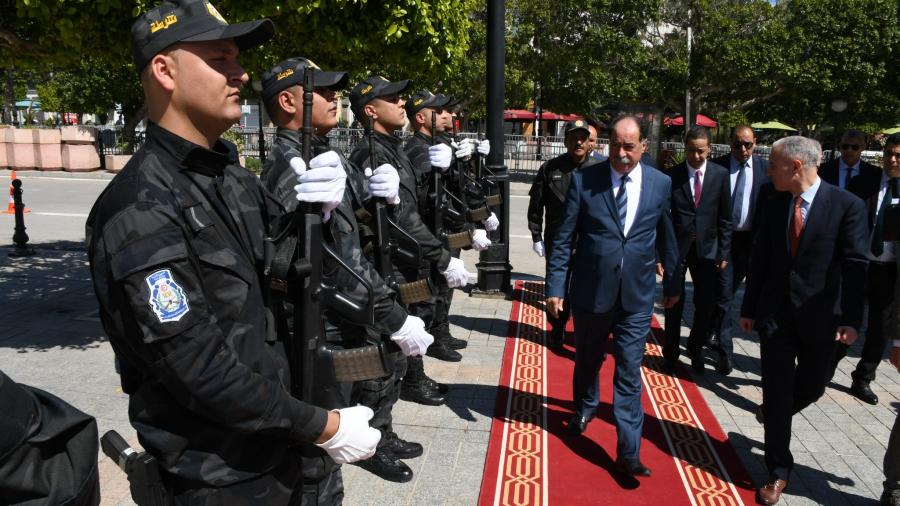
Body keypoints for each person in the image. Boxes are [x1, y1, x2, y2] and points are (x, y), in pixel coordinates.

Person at [86, 2, 380, 502]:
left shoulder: (234, 180)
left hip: (284, 449)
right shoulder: (139, 208)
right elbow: (199, 369)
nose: (240, 72)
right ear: (164, 70)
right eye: (219, 58)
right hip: (223, 475)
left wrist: (321, 215)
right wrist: (323, 426)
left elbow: (282, 273)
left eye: (236, 59)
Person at [258, 57, 436, 502]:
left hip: (344, 308)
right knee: (321, 447)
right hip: (324, 319)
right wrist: (394, 315)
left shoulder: (319, 154)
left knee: (365, 383)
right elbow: (330, 258)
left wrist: (383, 194)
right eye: (322, 91)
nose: (335, 97)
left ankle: (372, 438)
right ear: (287, 101)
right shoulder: (291, 165)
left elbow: (356, 221)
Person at [347, 76, 470, 483]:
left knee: (396, 354)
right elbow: (398, 219)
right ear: (369, 110)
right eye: (392, 99)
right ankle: (372, 439)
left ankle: (383, 430)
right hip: (388, 266)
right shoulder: (369, 153)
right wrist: (440, 254)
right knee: (382, 357)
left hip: (402, 262)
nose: (401, 104)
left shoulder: (391, 147)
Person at [546, 115, 680, 477]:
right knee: (588, 360)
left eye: (629, 146)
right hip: (591, 293)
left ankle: (628, 452)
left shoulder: (660, 183)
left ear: (643, 147)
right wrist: (556, 287)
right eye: (616, 145)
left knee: (628, 372)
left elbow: (668, 235)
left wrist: (673, 284)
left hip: (636, 298)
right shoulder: (584, 180)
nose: (621, 153)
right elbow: (563, 238)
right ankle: (586, 405)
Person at [739, 136, 868, 505]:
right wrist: (749, 308)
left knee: (813, 386)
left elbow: (856, 267)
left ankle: (777, 410)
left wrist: (850, 318)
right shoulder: (773, 198)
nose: (768, 170)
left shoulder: (848, 207)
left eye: (774, 164)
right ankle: (778, 470)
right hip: (776, 317)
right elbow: (760, 255)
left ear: (796, 167)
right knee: (778, 392)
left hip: (822, 320)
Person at [828, 134, 900, 404]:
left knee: (880, 329)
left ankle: (863, 378)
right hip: (859, 265)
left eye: (898, 156)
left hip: (890, 270)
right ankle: (825, 370)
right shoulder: (865, 181)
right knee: (846, 320)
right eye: (889, 154)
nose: (892, 160)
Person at [662, 126, 732, 374]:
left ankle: (695, 347)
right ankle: (670, 353)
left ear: (709, 150)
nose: (696, 156)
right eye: (691, 151)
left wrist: (723, 252)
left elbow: (725, 218)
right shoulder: (671, 176)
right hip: (677, 249)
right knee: (673, 302)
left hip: (708, 250)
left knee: (705, 304)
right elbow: (663, 218)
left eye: (701, 151)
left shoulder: (720, 175)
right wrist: (661, 254)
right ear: (685, 148)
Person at [527, 119, 601, 349]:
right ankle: (557, 330)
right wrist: (536, 236)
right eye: (573, 137)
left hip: (590, 242)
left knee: (586, 290)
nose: (578, 142)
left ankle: (582, 332)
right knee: (558, 289)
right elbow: (536, 205)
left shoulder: (601, 169)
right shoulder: (551, 168)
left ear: (589, 142)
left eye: (582, 137)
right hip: (558, 240)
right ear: (565, 140)